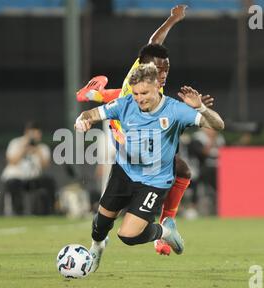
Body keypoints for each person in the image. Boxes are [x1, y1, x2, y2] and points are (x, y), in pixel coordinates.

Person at [76, 4, 215, 255]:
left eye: (166, 69)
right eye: (160, 69)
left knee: (180, 168)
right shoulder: (138, 84)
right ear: (145, 67)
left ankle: (164, 227)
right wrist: (95, 100)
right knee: (103, 222)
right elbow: (122, 97)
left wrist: (172, 19)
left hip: (143, 149)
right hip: (124, 140)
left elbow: (154, 43)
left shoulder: (151, 82)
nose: (164, 74)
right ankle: (110, 238)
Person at [74, 63, 225, 272]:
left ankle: (164, 232)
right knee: (99, 226)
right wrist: (82, 122)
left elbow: (218, 125)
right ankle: (97, 247)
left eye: (144, 93)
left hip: (154, 182)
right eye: (135, 93)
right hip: (124, 172)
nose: (139, 98)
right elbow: (89, 114)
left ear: (157, 87)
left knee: (128, 235)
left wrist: (200, 108)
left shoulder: (175, 110)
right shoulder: (125, 104)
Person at [1, 121, 56, 216]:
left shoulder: (42, 147)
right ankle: (18, 213)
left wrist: (37, 150)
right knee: (13, 184)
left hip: (32, 179)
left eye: (37, 134)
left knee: (49, 182)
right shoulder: (15, 143)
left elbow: (45, 166)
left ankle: (49, 211)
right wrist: (24, 148)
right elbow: (12, 161)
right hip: (16, 178)